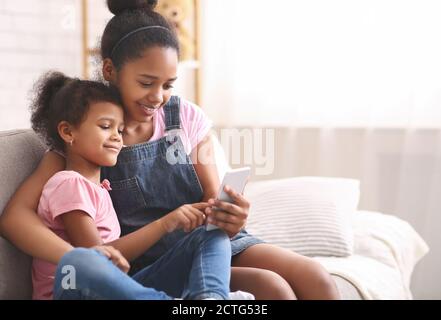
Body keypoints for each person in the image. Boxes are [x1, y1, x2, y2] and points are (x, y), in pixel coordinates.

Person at [0, 0, 339, 299]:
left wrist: (231, 216)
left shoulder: (184, 118)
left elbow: (213, 204)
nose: (158, 96)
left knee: (315, 276)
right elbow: (15, 219)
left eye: (168, 84)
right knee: (271, 287)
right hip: (148, 260)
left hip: (205, 244)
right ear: (110, 70)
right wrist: (88, 259)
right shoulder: (86, 137)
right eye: (146, 83)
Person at [28, 71, 238, 300]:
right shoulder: (69, 184)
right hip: (74, 291)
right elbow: (99, 257)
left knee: (209, 235)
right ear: (68, 132)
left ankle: (211, 299)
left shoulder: (102, 188)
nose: (118, 137)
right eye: (106, 126)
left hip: (115, 290)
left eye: (120, 130)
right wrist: (165, 223)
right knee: (79, 259)